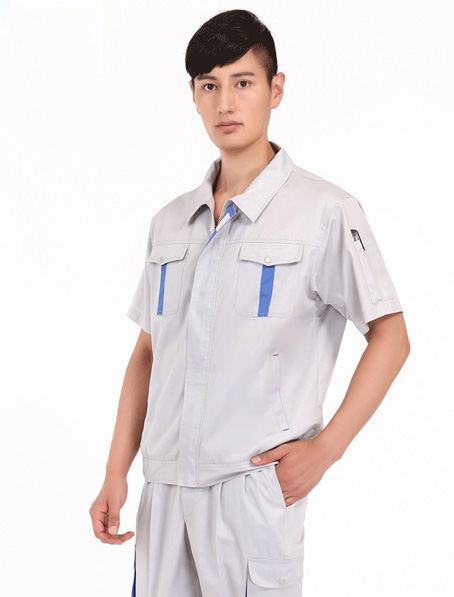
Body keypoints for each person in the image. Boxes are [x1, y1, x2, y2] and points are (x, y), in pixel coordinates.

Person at [89, 9, 410, 596]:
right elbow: (148, 354)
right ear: (193, 96)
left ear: (275, 89)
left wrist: (326, 450)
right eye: (209, 86)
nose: (226, 103)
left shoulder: (324, 212)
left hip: (252, 493)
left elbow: (391, 335)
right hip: (165, 493)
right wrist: (117, 471)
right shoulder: (170, 223)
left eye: (243, 82)